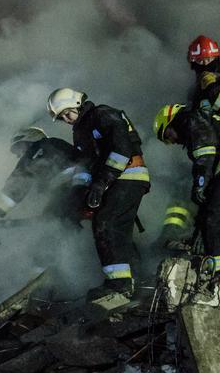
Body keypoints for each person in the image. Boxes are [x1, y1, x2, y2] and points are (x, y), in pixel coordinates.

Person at [47, 88, 150, 301]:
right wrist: (78, 196)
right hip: (113, 180)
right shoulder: (80, 131)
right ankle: (137, 280)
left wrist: (102, 182)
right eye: (62, 117)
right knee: (118, 230)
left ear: (77, 103)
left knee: (106, 223)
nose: (66, 119)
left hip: (128, 175)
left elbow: (122, 148)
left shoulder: (102, 114)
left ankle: (118, 284)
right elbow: (86, 164)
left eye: (67, 113)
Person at [153, 104, 220, 274]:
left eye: (167, 135)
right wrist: (199, 227)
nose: (172, 141)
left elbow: (206, 151)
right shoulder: (209, 118)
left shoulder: (189, 118)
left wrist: (200, 183)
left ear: (171, 120)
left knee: (216, 226)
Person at [0, 126, 89, 225]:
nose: (19, 156)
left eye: (18, 149)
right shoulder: (55, 145)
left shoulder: (37, 150)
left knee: (53, 227)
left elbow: (16, 187)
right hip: (83, 187)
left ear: (28, 140)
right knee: (53, 219)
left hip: (72, 190)